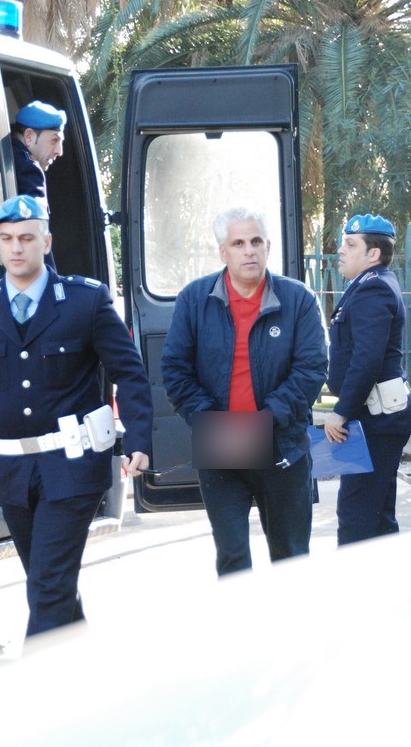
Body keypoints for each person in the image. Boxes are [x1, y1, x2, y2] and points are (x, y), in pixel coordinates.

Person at [0, 194, 153, 637]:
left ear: (46, 242)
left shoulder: (85, 301)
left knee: (47, 587)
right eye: (7, 239)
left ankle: (38, 678)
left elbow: (129, 372)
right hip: (13, 471)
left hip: (74, 467)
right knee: (50, 581)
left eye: (27, 238)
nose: (16, 247)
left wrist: (140, 439)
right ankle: (77, 662)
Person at [161, 207, 328, 576]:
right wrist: (209, 420)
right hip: (220, 442)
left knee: (291, 558)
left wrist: (266, 421)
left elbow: (311, 369)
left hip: (281, 444)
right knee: (233, 559)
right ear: (223, 251)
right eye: (238, 243)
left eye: (256, 242)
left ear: (268, 246)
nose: (248, 251)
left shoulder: (299, 299)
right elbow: (175, 370)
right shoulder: (193, 299)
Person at [324, 213, 411, 546]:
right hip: (375, 417)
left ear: (373, 254)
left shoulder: (373, 288)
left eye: (351, 245)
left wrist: (342, 411)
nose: (341, 250)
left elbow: (367, 359)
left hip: (373, 419)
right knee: (376, 516)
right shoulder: (369, 284)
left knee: (356, 518)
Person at [11, 100, 67, 269]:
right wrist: (50, 279)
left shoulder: (7, 155)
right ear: (29, 136)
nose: (59, 151)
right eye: (54, 140)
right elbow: (36, 232)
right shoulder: (30, 170)